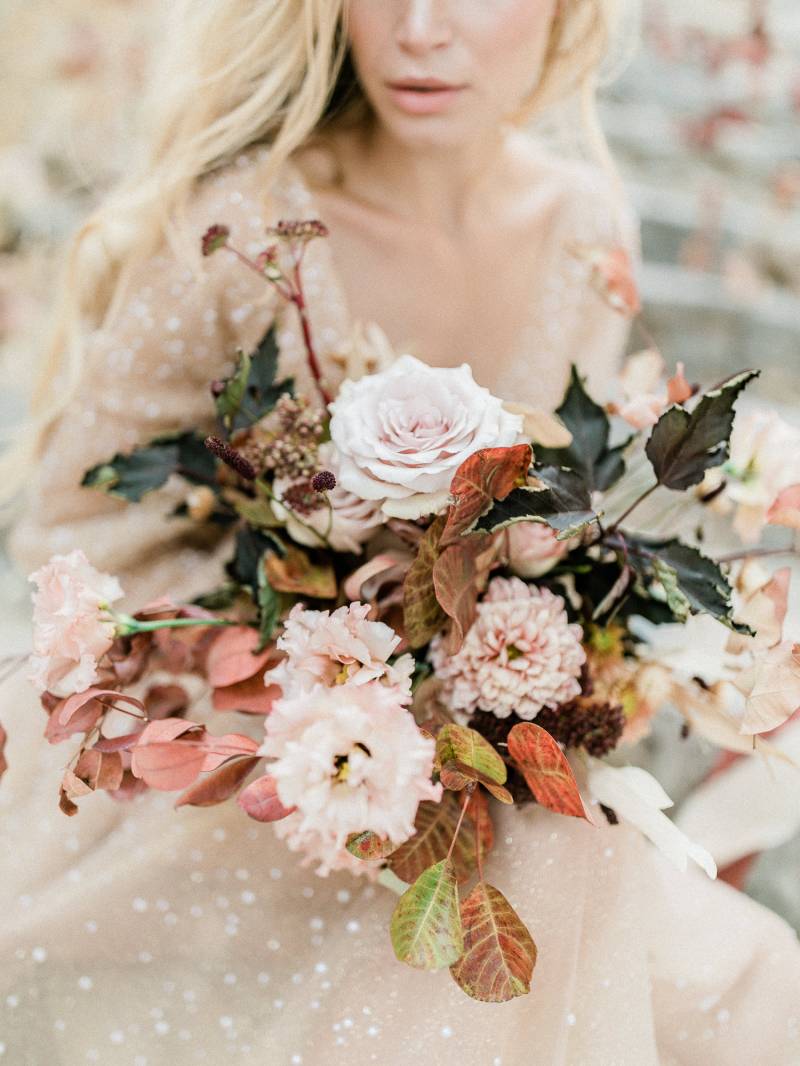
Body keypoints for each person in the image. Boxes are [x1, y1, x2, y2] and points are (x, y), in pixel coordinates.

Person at [1, 2, 799, 1063]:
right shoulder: (247, 229)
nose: (421, 30)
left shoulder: (579, 221)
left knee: (710, 959)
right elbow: (77, 521)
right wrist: (325, 674)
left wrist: (562, 657)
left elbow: (557, 525)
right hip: (243, 750)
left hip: (483, 762)